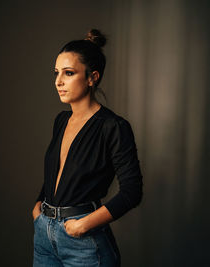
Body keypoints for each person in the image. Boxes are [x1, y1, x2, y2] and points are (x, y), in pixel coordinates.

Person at [32, 29, 143, 267]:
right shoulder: (61, 120)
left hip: (82, 240)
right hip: (44, 236)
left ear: (92, 77)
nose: (58, 81)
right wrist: (38, 208)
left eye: (68, 73)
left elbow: (132, 191)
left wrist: (84, 224)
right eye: (56, 73)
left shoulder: (113, 127)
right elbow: (59, 172)